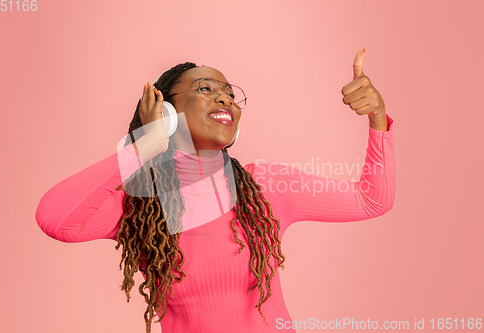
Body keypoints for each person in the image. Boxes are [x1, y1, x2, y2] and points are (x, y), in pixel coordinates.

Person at [36, 50, 395, 333]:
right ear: (167, 111)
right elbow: (56, 220)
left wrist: (378, 119)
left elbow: (372, 199)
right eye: (206, 89)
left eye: (229, 93)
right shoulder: (141, 203)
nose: (225, 99)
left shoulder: (264, 186)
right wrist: (142, 147)